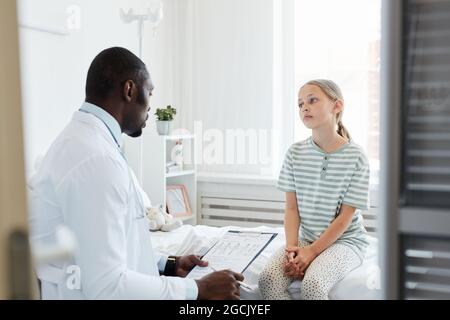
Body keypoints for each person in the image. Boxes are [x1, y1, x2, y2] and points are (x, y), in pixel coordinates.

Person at [28, 47, 243, 300]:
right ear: (129, 90)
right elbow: (106, 286)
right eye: (149, 92)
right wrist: (198, 289)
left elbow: (103, 247)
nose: (151, 106)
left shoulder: (87, 143)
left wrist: (168, 264)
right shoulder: (96, 159)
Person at [258, 79, 370, 300]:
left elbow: (345, 218)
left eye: (312, 100)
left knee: (313, 285)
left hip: (346, 241)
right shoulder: (294, 153)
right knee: (267, 280)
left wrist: (311, 252)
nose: (304, 107)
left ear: (336, 106)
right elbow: (291, 209)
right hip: (305, 238)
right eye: (300, 104)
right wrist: (292, 250)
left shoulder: (356, 156)